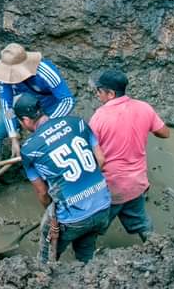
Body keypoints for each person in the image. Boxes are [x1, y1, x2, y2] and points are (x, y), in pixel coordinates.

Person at [15, 93, 111, 264]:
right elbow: (101, 160)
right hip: (103, 206)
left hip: (72, 218)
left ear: (26, 120)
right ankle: (87, 271)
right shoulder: (77, 122)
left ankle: (44, 271)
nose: (22, 126)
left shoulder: (30, 149)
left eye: (20, 123)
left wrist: (52, 213)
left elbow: (43, 193)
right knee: (86, 249)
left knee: (45, 258)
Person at [88, 69, 170, 242]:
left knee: (93, 228)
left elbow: (91, 155)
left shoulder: (99, 117)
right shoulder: (144, 107)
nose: (97, 94)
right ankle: (156, 245)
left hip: (111, 188)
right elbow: (164, 133)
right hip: (137, 183)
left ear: (110, 93)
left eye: (99, 91)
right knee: (141, 221)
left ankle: (85, 263)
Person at [0, 43, 75, 166]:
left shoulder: (45, 72)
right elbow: (8, 109)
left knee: (48, 138)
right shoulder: (5, 76)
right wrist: (13, 136)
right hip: (20, 107)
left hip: (48, 109)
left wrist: (50, 122)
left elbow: (67, 100)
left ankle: (54, 167)